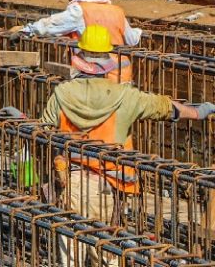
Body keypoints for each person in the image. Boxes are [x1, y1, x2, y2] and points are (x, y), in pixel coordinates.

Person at [38, 25, 215, 267]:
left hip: (70, 181)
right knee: (108, 251)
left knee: (71, 250)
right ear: (108, 63)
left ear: (79, 59)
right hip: (110, 184)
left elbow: (43, 131)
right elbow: (164, 107)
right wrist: (198, 112)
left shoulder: (62, 93)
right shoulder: (126, 96)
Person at [11, 0, 140, 83]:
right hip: (122, 77)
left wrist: (26, 30)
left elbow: (50, 25)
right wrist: (140, 31)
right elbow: (132, 39)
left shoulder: (79, 10)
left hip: (93, 76)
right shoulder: (117, 11)